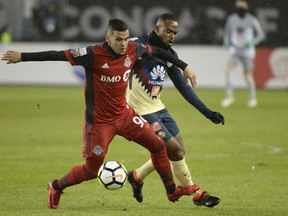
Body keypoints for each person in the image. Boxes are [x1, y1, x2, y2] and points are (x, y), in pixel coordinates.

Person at [1, 19, 198, 209]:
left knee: (158, 145)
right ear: (108, 38)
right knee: (91, 170)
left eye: (126, 38)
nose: (123, 44)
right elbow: (57, 54)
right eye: (119, 39)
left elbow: (158, 51)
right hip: (99, 123)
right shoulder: (91, 54)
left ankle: (171, 191)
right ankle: (56, 186)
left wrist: (184, 66)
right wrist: (23, 57)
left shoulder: (133, 48)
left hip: (125, 115)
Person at [126, 13, 224, 208]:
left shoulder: (170, 55)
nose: (172, 36)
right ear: (157, 29)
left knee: (178, 151)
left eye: (175, 33)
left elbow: (183, 87)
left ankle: (136, 177)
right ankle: (197, 195)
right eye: (168, 31)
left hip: (158, 107)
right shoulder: (136, 45)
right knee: (176, 152)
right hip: (139, 111)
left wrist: (207, 112)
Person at [221, 0, 265, 108]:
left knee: (248, 75)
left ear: (246, 10)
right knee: (228, 71)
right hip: (235, 50)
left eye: (243, 9)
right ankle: (229, 96)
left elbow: (261, 35)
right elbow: (226, 33)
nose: (241, 11)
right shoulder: (232, 19)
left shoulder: (251, 20)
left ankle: (252, 98)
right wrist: (226, 41)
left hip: (247, 51)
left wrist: (253, 42)